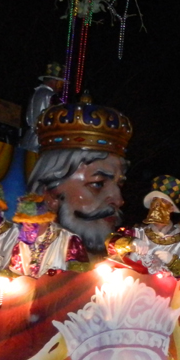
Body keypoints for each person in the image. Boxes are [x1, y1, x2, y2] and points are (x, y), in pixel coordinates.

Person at [28, 93, 131, 254]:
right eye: (98, 183)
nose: (119, 200)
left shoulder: (126, 259)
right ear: (50, 196)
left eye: (119, 184)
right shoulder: (16, 251)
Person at [106, 176, 180, 277]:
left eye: (164, 202)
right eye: (154, 200)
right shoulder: (137, 232)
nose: (157, 205)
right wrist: (131, 243)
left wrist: (172, 261)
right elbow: (110, 244)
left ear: (172, 208)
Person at [7, 194, 89, 277]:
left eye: (32, 223)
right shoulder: (20, 245)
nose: (27, 227)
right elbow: (15, 275)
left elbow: (79, 275)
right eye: (24, 222)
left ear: (45, 221)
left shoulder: (69, 240)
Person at [20, 63, 64, 153]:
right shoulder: (52, 97)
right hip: (42, 141)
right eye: (61, 82)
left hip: (28, 138)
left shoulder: (36, 93)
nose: (62, 86)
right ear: (54, 81)